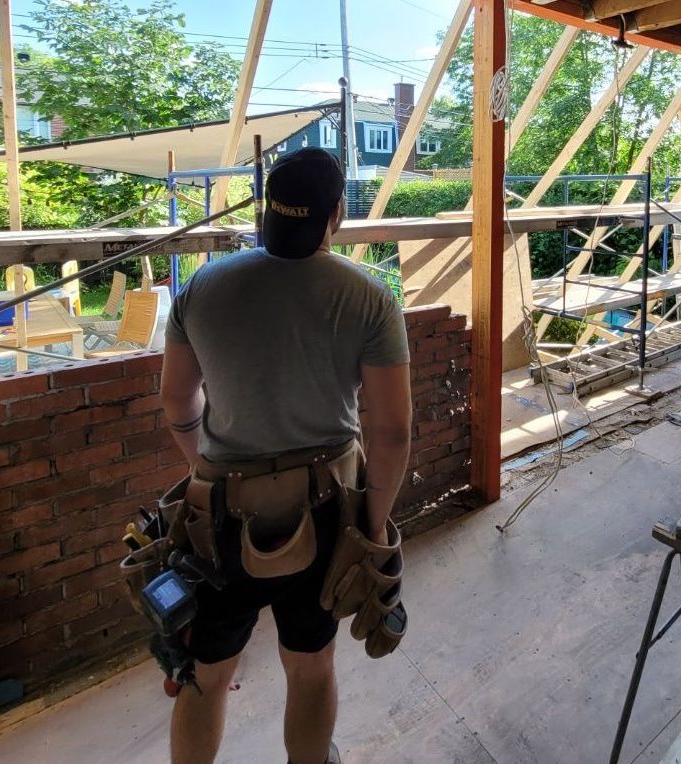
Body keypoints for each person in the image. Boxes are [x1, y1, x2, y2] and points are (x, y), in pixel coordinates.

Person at [159, 147, 412, 764]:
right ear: (337, 215)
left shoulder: (201, 287)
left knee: (205, 674)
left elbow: (175, 401)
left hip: (218, 516)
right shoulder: (369, 299)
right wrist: (373, 526)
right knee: (311, 665)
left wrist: (203, 470)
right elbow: (393, 433)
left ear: (267, 210)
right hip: (324, 513)